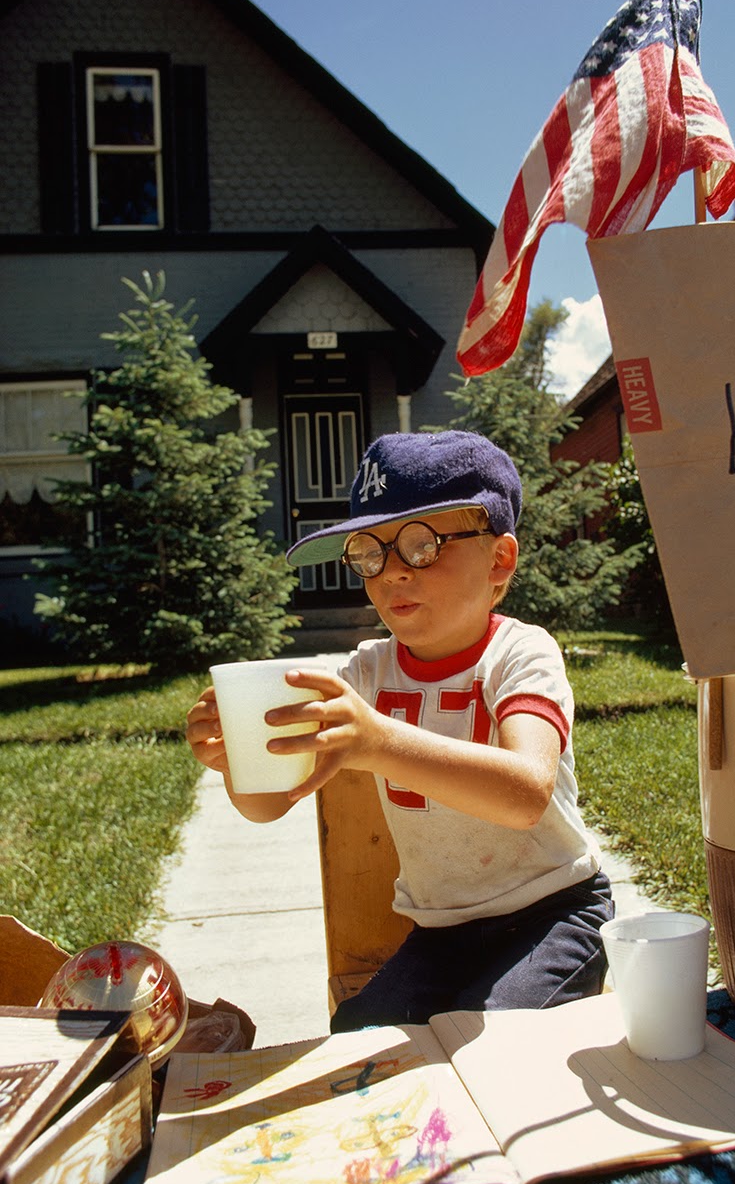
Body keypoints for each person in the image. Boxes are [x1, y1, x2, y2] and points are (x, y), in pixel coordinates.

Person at [186, 430, 614, 1031]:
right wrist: (236, 759)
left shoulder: (521, 654)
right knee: (359, 1039)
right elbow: (267, 805)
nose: (391, 574)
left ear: (499, 560)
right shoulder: (364, 671)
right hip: (442, 931)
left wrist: (380, 741)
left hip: (554, 914)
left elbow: (524, 795)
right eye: (369, 553)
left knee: (493, 1047)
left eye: (421, 545)